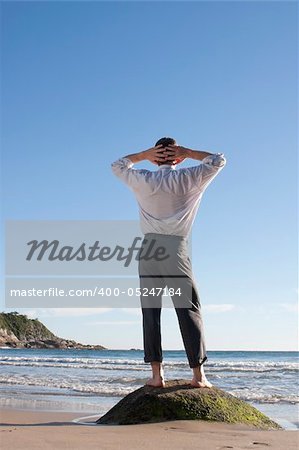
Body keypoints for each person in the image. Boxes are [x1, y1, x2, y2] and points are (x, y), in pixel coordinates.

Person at [111, 137, 226, 388]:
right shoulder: (190, 177)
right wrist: (189, 152)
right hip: (175, 248)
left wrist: (143, 154)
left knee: (150, 312)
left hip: (149, 249)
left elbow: (118, 165)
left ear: (155, 157)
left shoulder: (144, 179)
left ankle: (156, 376)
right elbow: (218, 160)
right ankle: (198, 376)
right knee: (188, 309)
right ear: (178, 157)